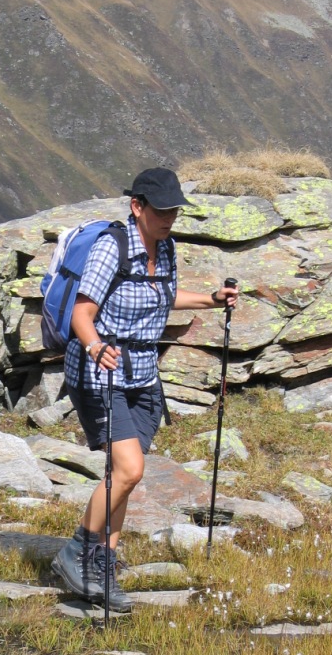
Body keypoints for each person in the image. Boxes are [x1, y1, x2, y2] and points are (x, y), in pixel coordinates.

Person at [51, 167, 239, 612]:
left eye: (174, 210)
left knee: (123, 477)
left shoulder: (165, 247)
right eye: (162, 210)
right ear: (137, 206)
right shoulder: (110, 248)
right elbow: (81, 313)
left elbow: (163, 296)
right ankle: (75, 553)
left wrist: (211, 300)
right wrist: (95, 346)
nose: (170, 218)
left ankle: (103, 564)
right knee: (130, 470)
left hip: (142, 376)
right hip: (101, 372)